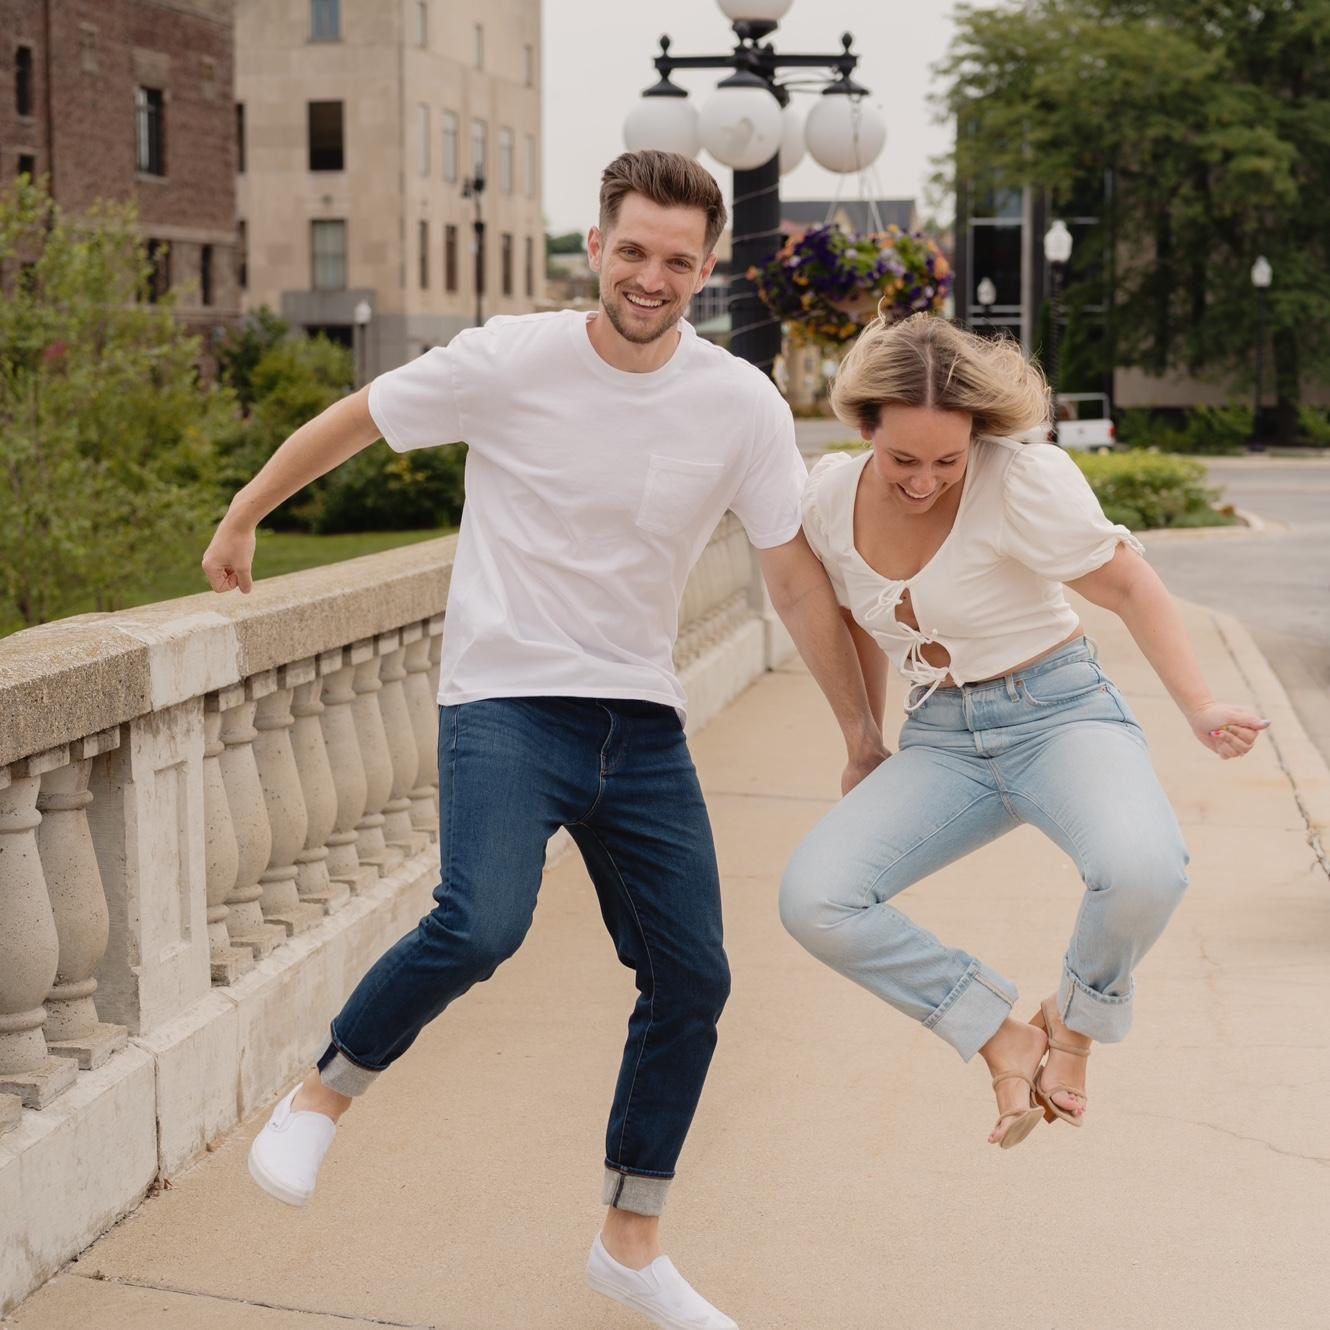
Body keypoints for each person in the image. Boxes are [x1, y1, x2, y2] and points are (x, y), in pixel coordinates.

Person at [202, 150, 883, 1330]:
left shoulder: (738, 404)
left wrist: (862, 731)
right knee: (481, 922)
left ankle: (630, 1243)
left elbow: (791, 576)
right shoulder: (509, 359)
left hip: (640, 718)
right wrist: (244, 513)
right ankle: (319, 1098)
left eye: (677, 260)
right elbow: (359, 420)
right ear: (596, 246)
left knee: (692, 976)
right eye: (633, 251)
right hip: (507, 698)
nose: (650, 277)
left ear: (708, 271)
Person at [779, 312, 1268, 1150]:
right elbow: (851, 616)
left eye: (948, 460)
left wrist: (1200, 706)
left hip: (1060, 714)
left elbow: (1130, 586)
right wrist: (862, 741)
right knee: (815, 899)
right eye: (903, 459)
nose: (926, 481)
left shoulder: (1021, 481)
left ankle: (1073, 1025)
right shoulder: (829, 499)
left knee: (1145, 870)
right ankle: (999, 1035)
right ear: (865, 427)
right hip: (942, 737)